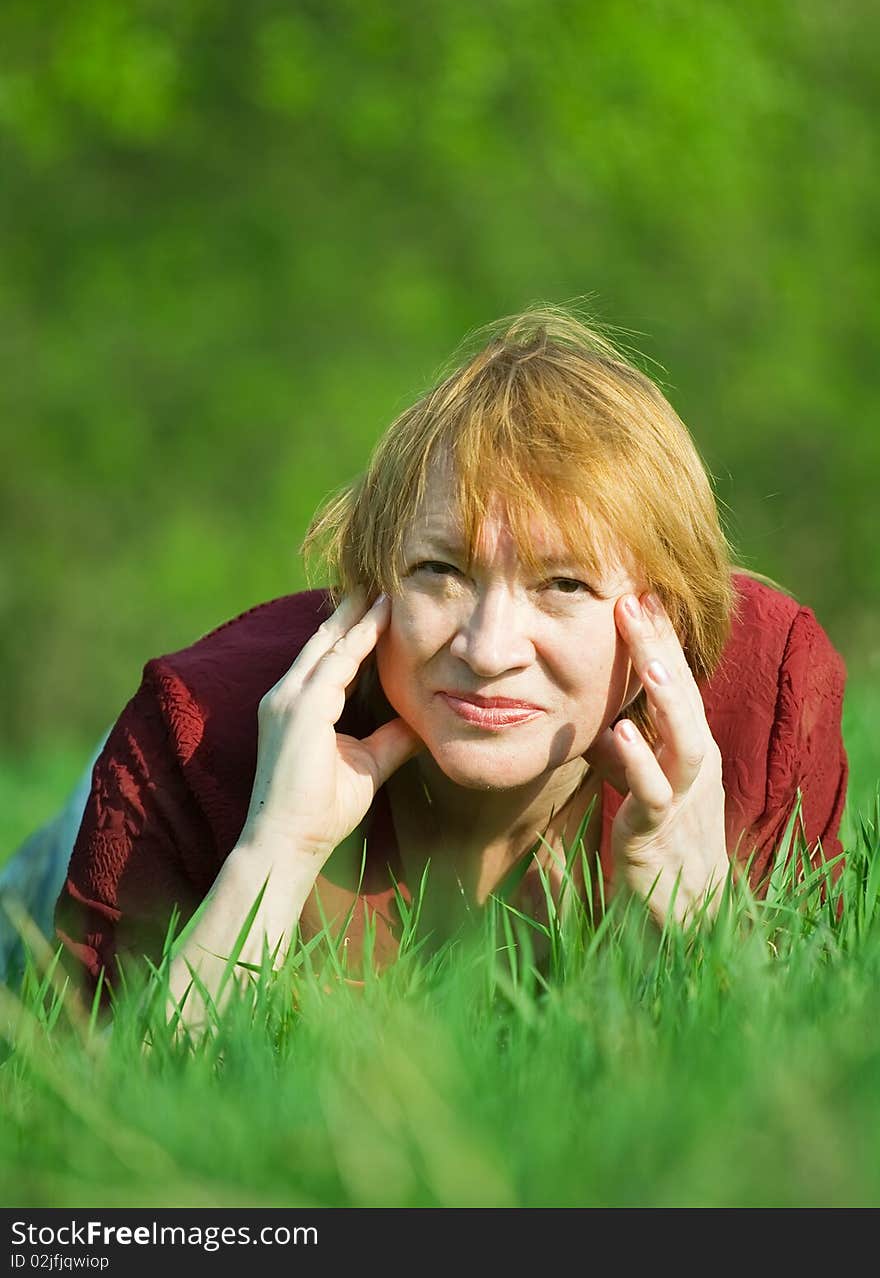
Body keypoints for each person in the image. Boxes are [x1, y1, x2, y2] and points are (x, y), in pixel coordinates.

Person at [45, 307, 847, 1026]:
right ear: (371, 577)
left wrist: (701, 921)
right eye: (440, 570)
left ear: (662, 609)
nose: (488, 650)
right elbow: (100, 1095)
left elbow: (802, 1099)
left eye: (564, 584)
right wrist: (274, 849)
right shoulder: (194, 724)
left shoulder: (762, 703)